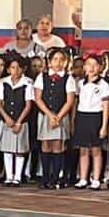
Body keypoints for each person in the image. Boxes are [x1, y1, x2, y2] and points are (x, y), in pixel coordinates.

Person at [35, 47, 75, 190]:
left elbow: (69, 101)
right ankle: (45, 177)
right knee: (46, 145)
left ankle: (56, 178)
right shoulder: (42, 77)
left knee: (57, 145)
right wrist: (50, 115)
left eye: (61, 59)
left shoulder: (68, 78)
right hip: (46, 115)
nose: (58, 62)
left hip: (61, 116)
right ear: (49, 61)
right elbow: (38, 98)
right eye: (55, 59)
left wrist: (58, 117)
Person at [0, 56, 33, 186]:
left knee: (19, 150)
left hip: (21, 121)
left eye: (19, 68)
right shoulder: (3, 83)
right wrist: (6, 118)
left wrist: (19, 121)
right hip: (6, 121)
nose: (16, 70)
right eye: (13, 67)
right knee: (7, 149)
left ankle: (18, 177)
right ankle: (9, 176)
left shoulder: (27, 83)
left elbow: (28, 105)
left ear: (24, 69)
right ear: (9, 69)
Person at [72, 54, 109, 189]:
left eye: (95, 65)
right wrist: (73, 121)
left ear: (100, 67)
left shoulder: (103, 85)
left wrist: (104, 126)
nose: (91, 67)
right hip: (82, 117)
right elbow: (76, 104)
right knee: (83, 149)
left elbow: (106, 107)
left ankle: (96, 178)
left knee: (96, 149)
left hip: (96, 117)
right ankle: (83, 178)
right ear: (84, 67)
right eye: (88, 64)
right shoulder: (80, 83)